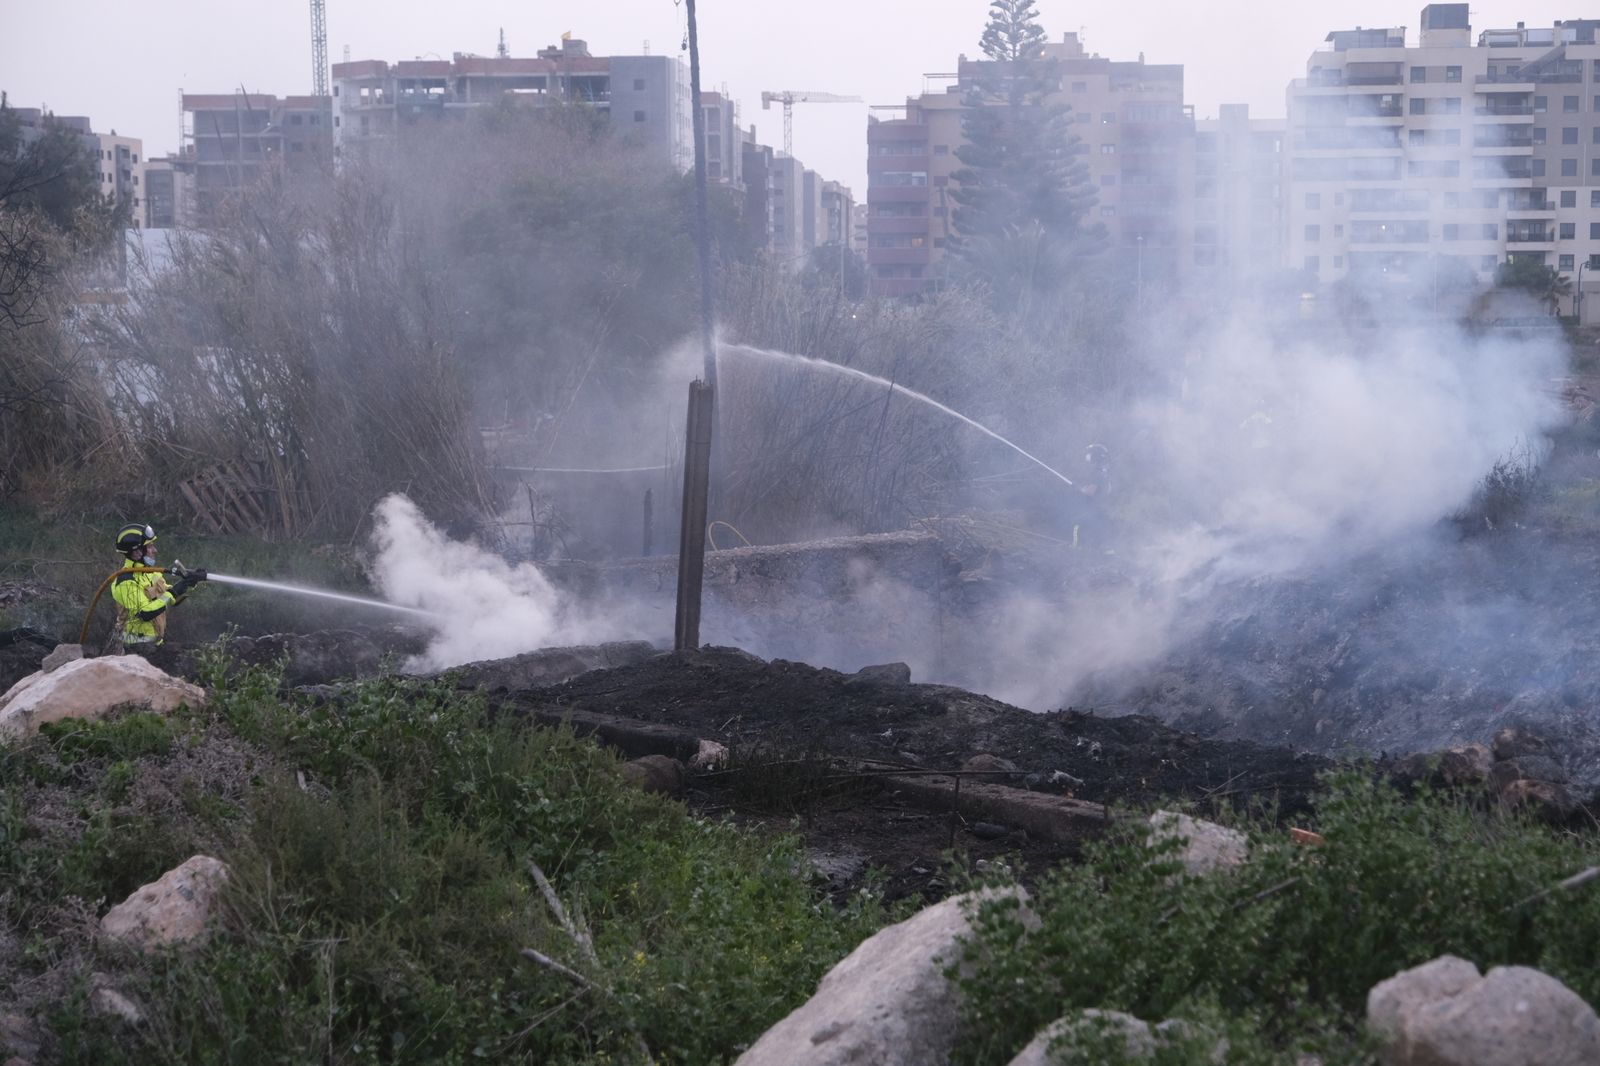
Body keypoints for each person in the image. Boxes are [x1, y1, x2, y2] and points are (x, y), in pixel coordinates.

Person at [110, 524, 206, 649]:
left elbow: (169, 598)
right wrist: (173, 593)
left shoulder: (151, 573)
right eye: (150, 546)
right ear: (136, 552)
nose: (155, 550)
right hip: (134, 648)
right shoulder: (125, 582)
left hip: (155, 645)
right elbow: (145, 613)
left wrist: (188, 583)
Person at [1072, 444, 1112, 551]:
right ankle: (1098, 551)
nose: (1088, 456)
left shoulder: (1097, 473)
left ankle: (1077, 548)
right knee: (1096, 528)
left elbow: (1090, 491)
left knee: (1077, 524)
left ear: (1096, 456)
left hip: (1094, 507)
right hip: (1100, 507)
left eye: (1090, 454)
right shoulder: (1104, 471)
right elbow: (1105, 489)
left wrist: (1077, 487)